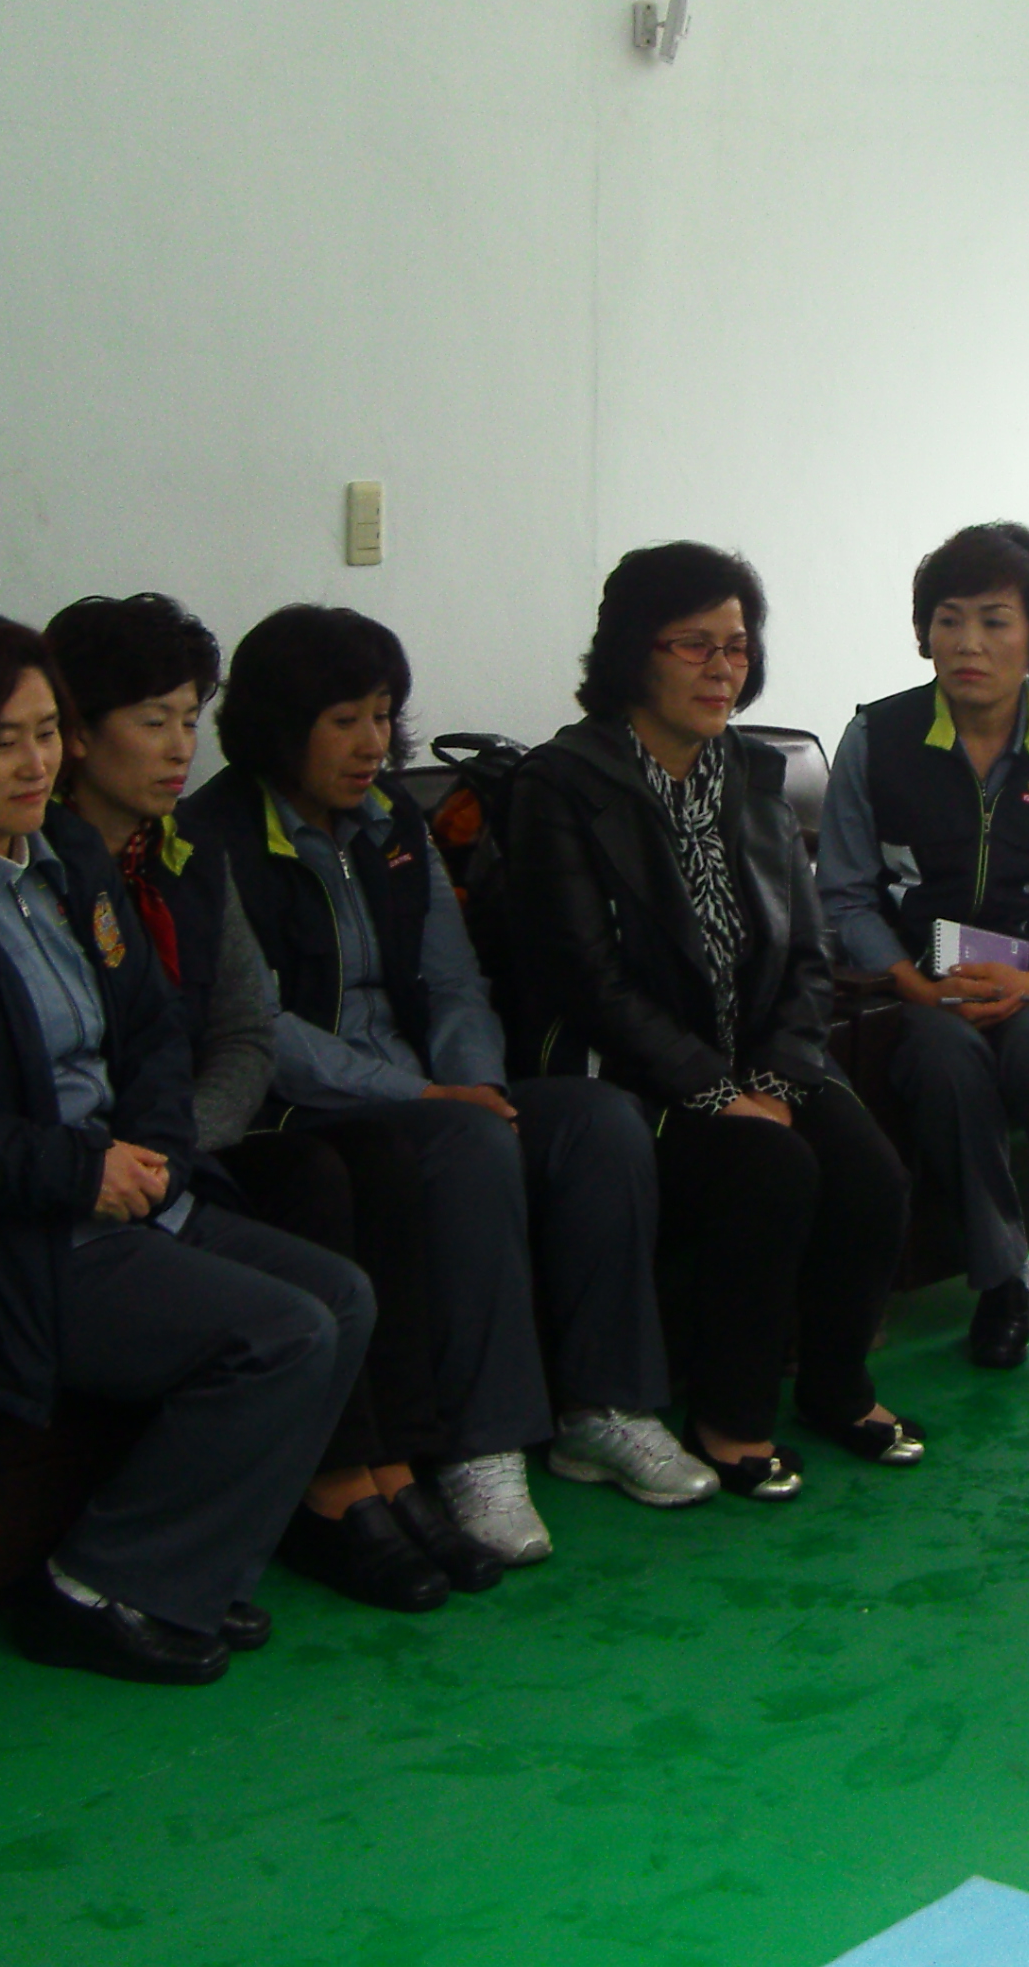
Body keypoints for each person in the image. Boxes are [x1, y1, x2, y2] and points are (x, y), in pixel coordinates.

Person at [0, 611, 372, 1685]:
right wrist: (78, 1171)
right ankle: (98, 1586)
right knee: (282, 1332)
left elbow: (149, 1027)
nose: (37, 763)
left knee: (341, 1298)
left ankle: (194, 1572)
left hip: (131, 1193)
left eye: (46, 733)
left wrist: (154, 1148)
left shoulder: (66, 854)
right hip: (19, 1237)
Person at [188, 603, 712, 1586]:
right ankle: (483, 1450)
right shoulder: (210, 839)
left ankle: (604, 1410)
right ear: (277, 727)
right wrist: (425, 1097)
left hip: (435, 1091)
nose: (372, 744)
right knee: (469, 1145)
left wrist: (474, 1084)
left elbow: (454, 978)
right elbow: (263, 1033)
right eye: (344, 720)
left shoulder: (394, 820)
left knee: (596, 1122)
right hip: (316, 1108)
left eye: (383, 715)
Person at [43, 595, 485, 1616]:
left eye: (188, 718)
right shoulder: (49, 872)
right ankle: (334, 1490)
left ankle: (393, 1467)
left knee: (380, 1160)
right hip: (110, 1172)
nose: (178, 747)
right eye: (153, 720)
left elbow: (243, 1028)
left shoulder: (181, 857)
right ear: (79, 736)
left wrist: (176, 1143)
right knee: (319, 1171)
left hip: (186, 1141)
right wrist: (154, 1156)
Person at [504, 542, 917, 1501]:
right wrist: (715, 1090)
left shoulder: (752, 775)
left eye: (736, 646)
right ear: (632, 654)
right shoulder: (561, 786)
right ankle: (731, 1420)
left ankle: (836, 1388)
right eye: (694, 645)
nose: (722, 668)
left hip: (754, 1062)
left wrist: (773, 1077)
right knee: (770, 1168)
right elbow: (587, 980)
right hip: (632, 1075)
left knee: (870, 1173)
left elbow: (806, 955)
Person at [816, 523, 1029, 1372]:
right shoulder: (876, 738)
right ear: (926, 631)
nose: (968, 644)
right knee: (944, 1065)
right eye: (949, 620)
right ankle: (1002, 1280)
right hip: (924, 988)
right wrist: (908, 981)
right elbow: (843, 891)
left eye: (995, 621)